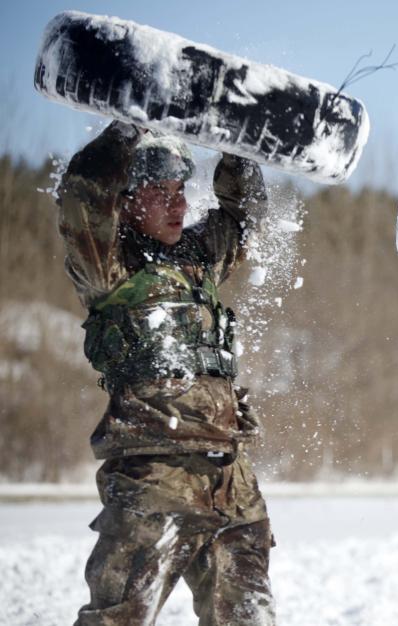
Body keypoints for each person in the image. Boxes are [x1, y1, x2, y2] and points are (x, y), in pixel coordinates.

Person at [57, 121, 274, 625]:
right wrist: (130, 124)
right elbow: (81, 198)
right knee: (119, 618)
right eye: (160, 192)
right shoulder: (110, 266)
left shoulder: (198, 259)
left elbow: (244, 217)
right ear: (127, 199)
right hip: (154, 476)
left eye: (180, 191)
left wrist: (235, 142)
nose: (178, 205)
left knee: (249, 618)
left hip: (230, 477)